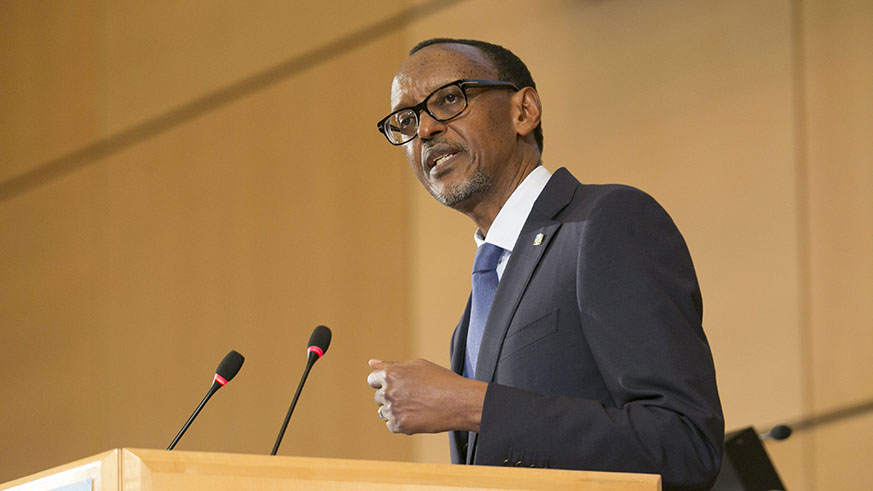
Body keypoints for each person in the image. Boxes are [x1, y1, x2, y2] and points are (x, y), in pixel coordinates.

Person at [367, 38, 724, 490]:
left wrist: (473, 405)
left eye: (449, 100)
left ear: (524, 111)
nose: (424, 132)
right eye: (406, 120)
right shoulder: (476, 309)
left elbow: (685, 446)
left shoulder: (606, 222)